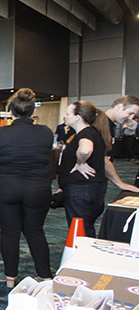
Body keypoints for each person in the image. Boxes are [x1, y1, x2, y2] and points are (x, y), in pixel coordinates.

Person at [0, 89, 53, 288]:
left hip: (6, 187)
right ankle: (45, 275)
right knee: (35, 231)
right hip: (38, 188)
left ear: (10, 111)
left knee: (9, 232)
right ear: (32, 111)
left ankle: (10, 278)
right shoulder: (46, 131)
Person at [58, 101, 113, 238]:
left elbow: (85, 149)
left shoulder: (86, 134)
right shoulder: (92, 132)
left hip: (81, 190)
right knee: (85, 228)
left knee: (81, 230)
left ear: (78, 117)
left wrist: (80, 162)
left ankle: (83, 257)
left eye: (68, 113)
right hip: (89, 189)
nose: (65, 117)